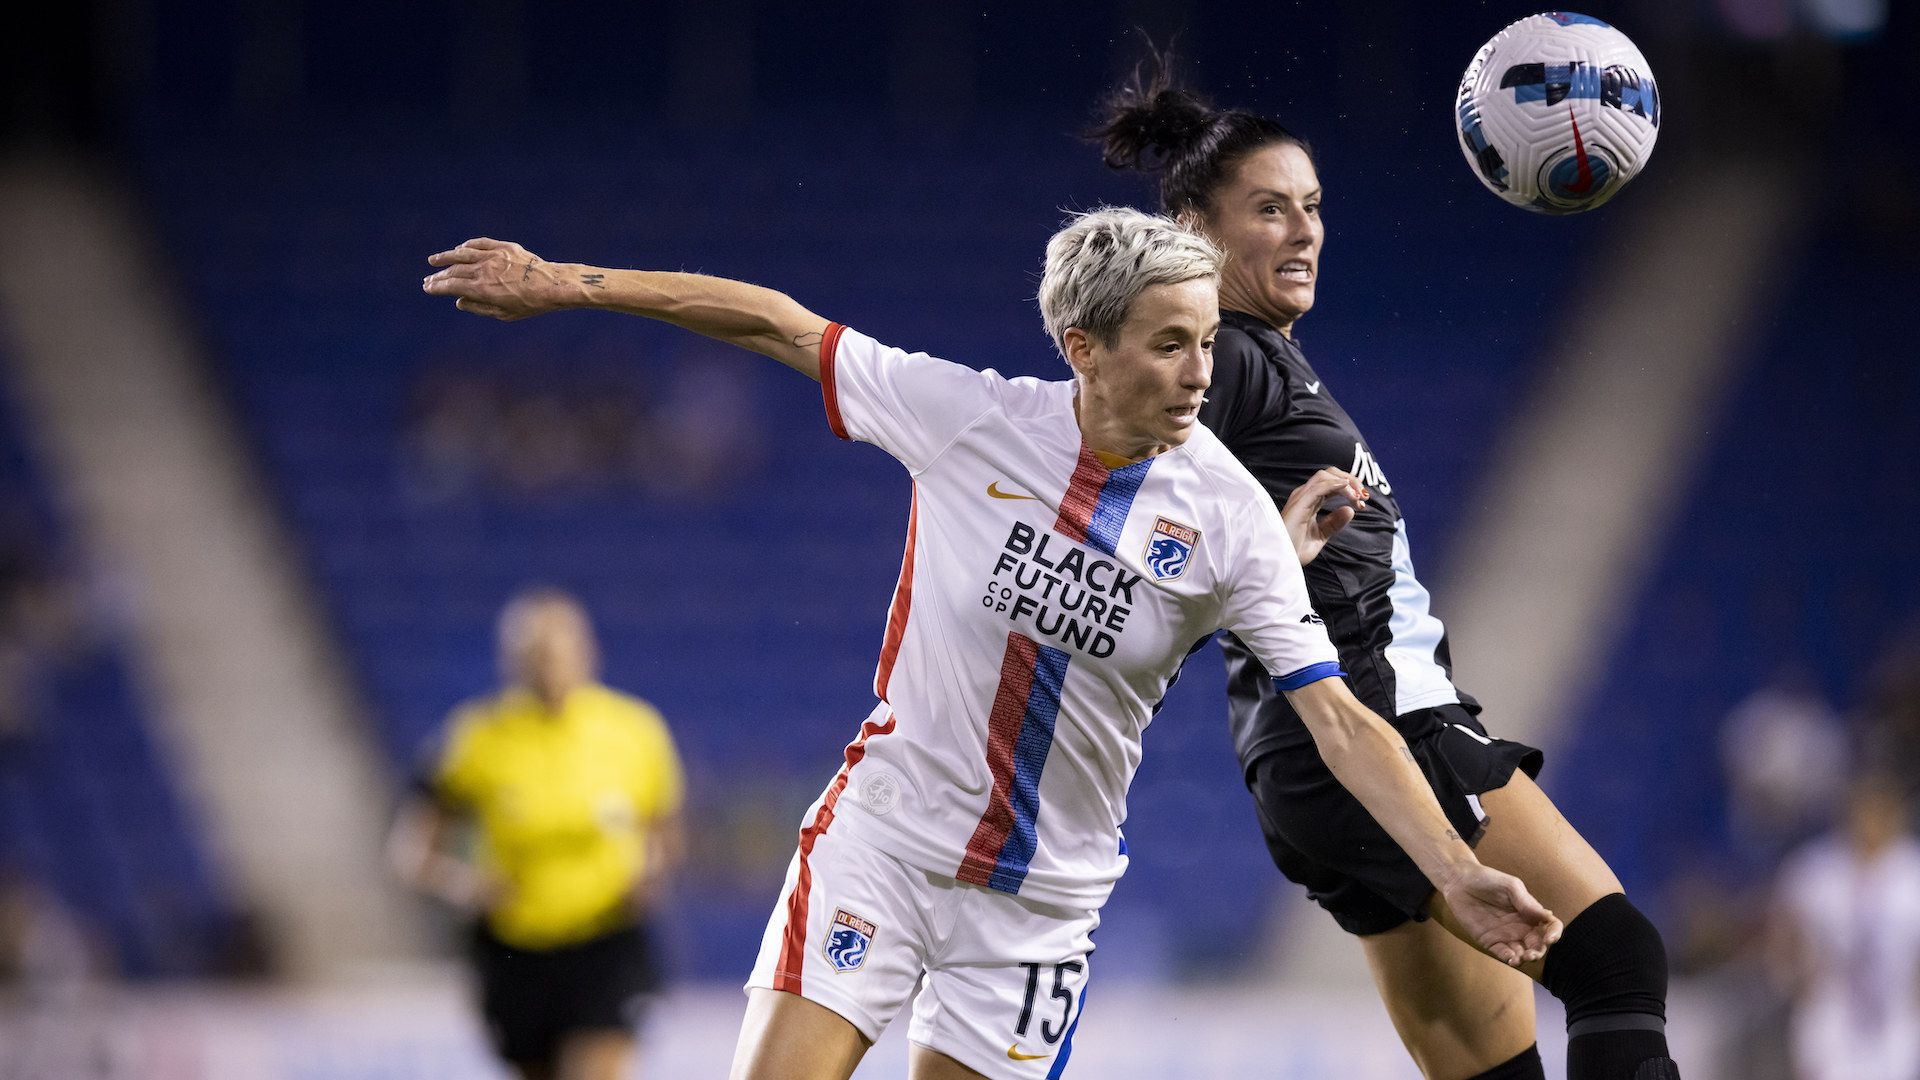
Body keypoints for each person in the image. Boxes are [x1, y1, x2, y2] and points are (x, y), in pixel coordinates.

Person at [420, 208, 1560, 1080]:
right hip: (885, 842)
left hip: (1040, 907)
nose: (1200, 374)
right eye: (1169, 344)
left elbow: (1340, 722)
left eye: (1209, 342)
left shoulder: (1229, 516)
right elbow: (774, 320)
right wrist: (567, 283)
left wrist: (1455, 871)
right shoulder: (970, 417)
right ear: (1083, 347)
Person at [1092, 56, 1681, 1080]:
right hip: (1376, 728)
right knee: (1618, 965)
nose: (1304, 230)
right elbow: (1112, 490)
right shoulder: (1225, 357)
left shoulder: (1265, 360)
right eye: (1269, 208)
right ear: (1194, 231)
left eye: (1312, 206)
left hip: (1304, 763)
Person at [388, 588, 685, 1080]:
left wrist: (650, 873)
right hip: (516, 949)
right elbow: (412, 849)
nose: (550, 669)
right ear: (511, 662)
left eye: (561, 653)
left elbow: (664, 831)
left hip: (605, 941)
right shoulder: (475, 740)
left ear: (588, 653)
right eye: (537, 656)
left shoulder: (634, 732)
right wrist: (465, 884)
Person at [1770, 773, 1920, 1080]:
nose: (1872, 821)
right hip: (1829, 1020)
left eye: (1882, 811)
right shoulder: (1814, 870)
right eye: (1866, 810)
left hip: (1896, 1021)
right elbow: (1783, 936)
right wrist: (1793, 977)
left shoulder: (1912, 870)